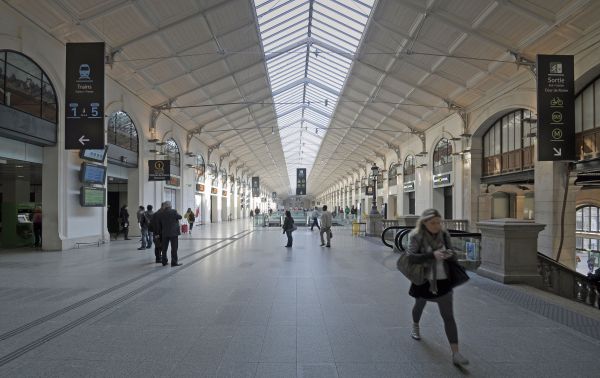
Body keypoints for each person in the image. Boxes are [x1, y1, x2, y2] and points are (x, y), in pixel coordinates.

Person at [406, 208, 469, 366]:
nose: (436, 225)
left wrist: (449, 254)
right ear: (424, 223)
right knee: (419, 305)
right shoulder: (416, 236)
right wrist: (431, 255)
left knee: (448, 316)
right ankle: (415, 325)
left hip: (443, 281)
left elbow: (453, 253)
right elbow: (411, 257)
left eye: (438, 222)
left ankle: (456, 353)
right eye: (433, 223)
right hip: (424, 280)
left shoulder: (444, 235)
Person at [159, 201, 182, 266]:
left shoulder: (161, 213)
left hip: (164, 233)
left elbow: (160, 222)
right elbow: (180, 217)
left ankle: (164, 261)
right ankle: (174, 262)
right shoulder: (174, 211)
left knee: (164, 248)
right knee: (174, 248)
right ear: (170, 206)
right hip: (173, 233)